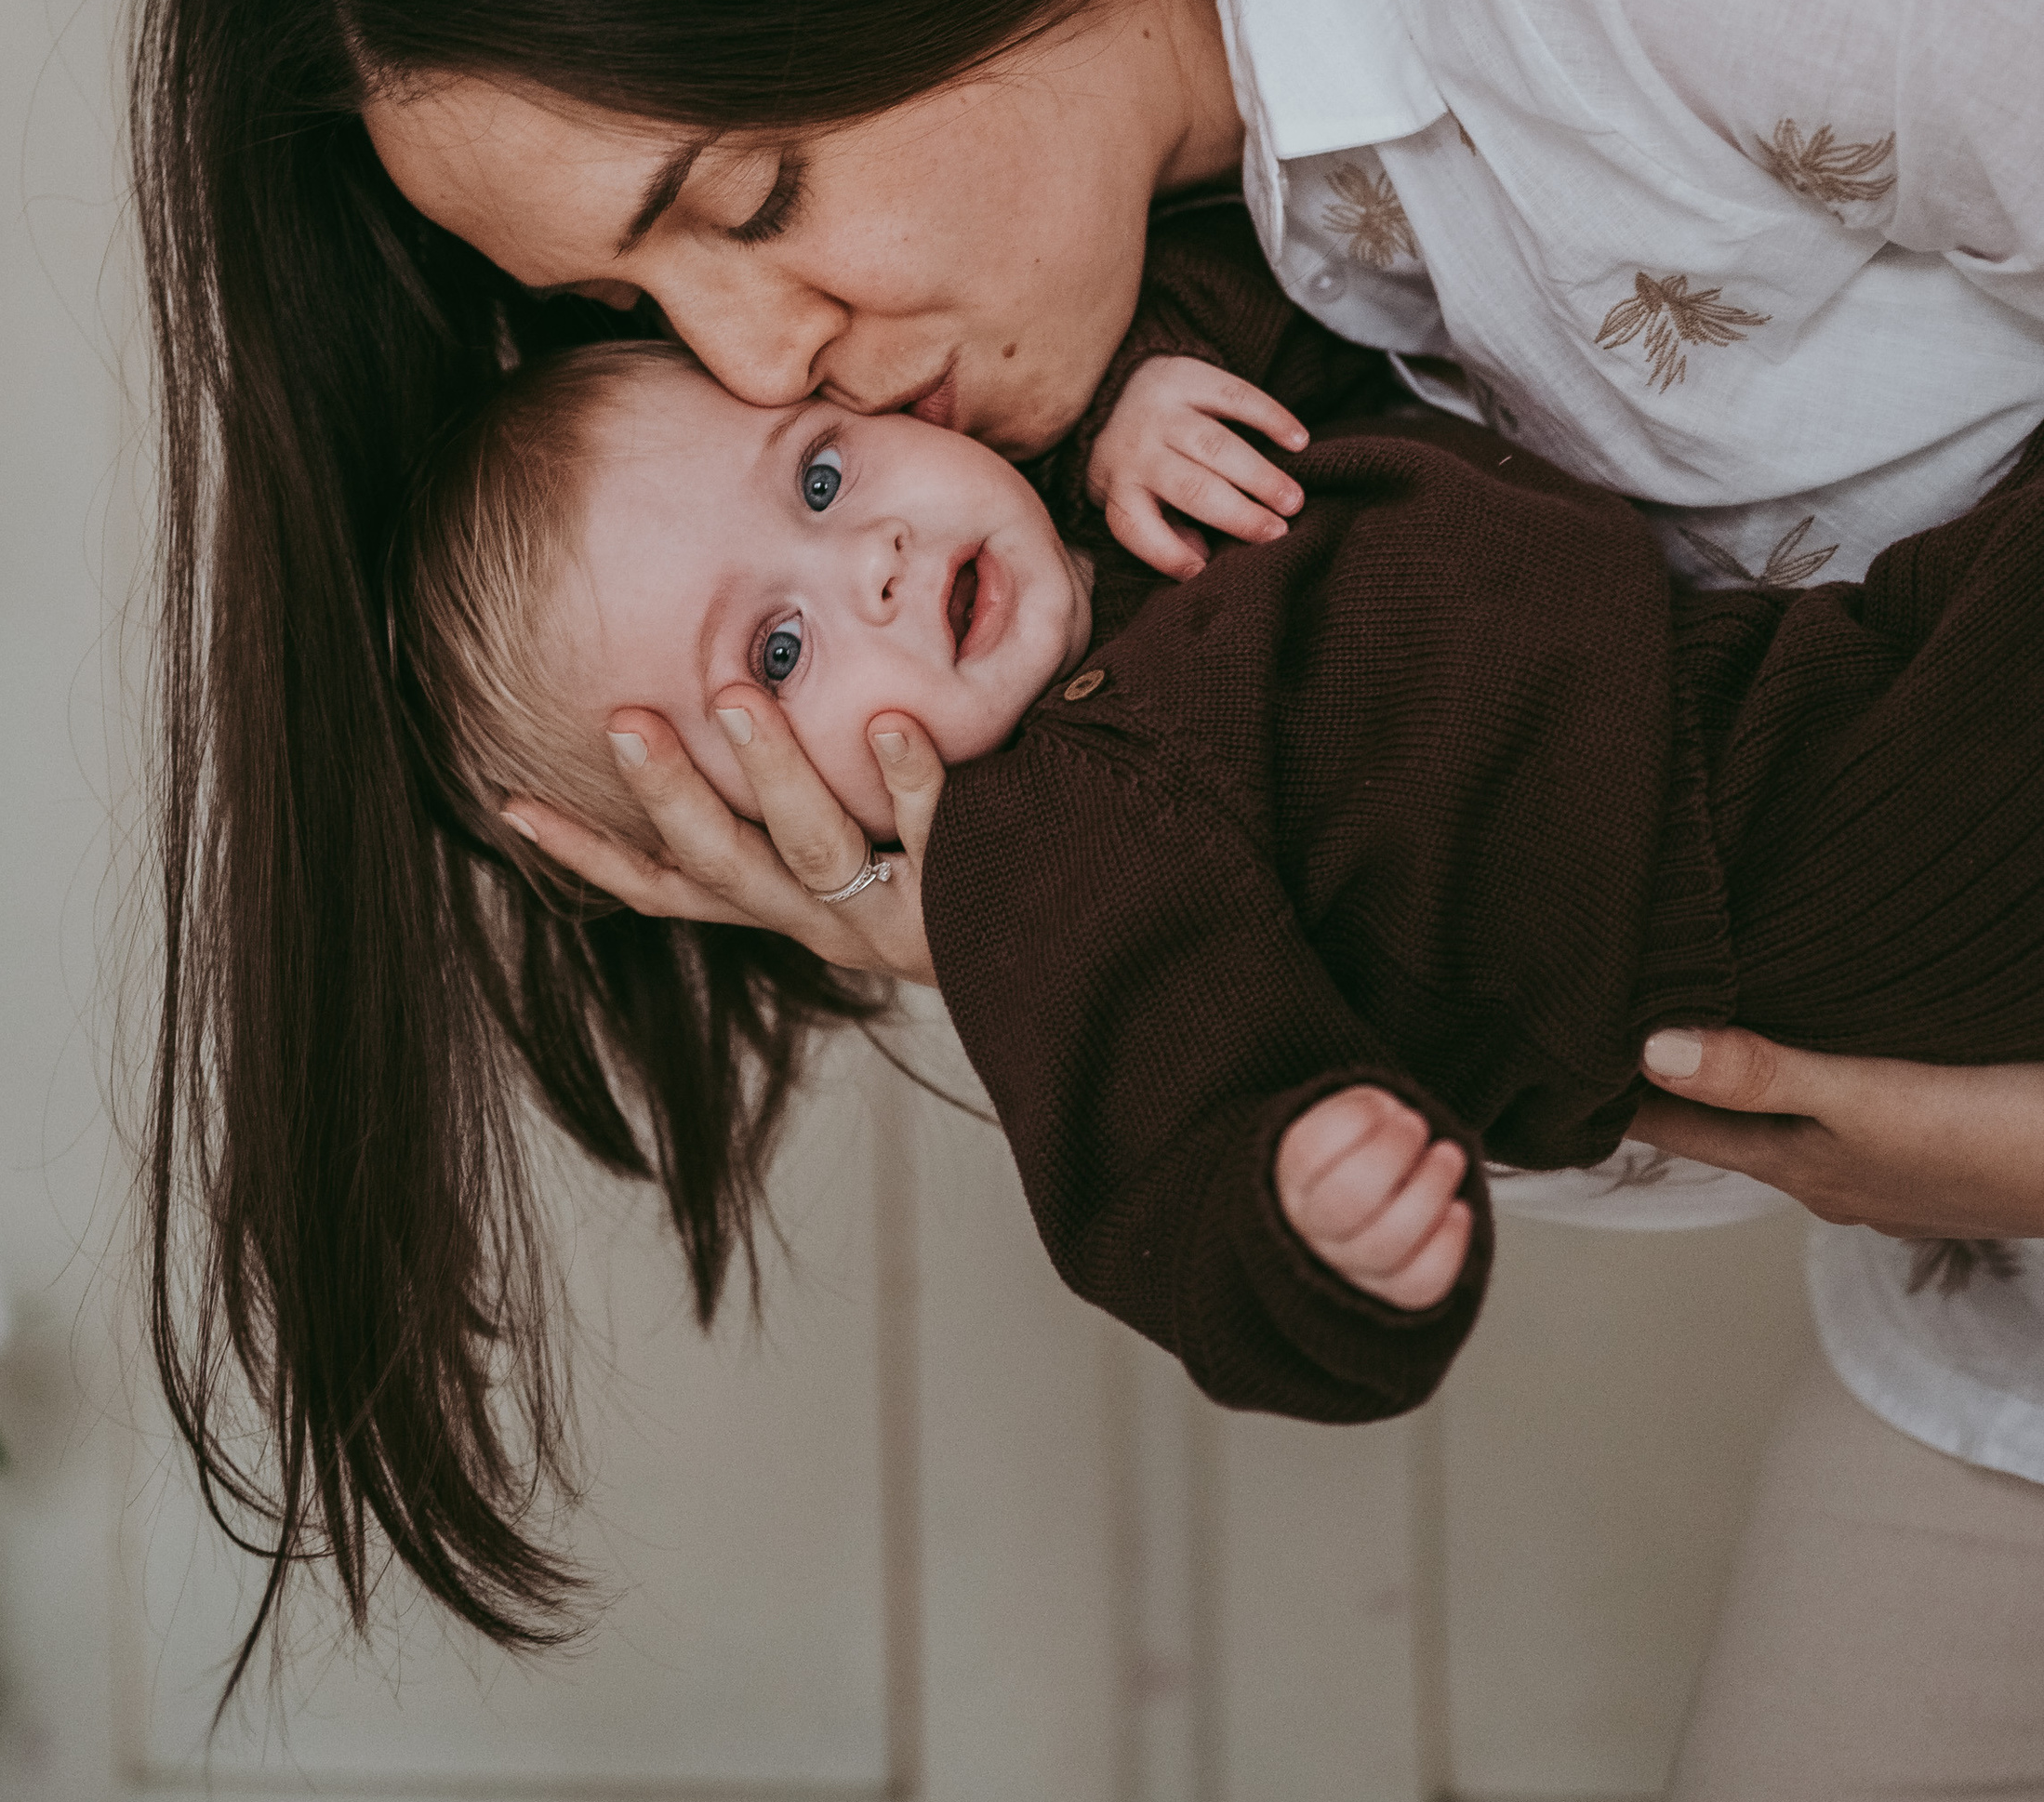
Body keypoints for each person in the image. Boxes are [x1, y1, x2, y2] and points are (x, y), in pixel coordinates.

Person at [134, 0, 2044, 1802]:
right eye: (650, 320)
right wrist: (997, 923)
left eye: (745, 196)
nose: (764, 356)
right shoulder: (1176, 332)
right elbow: (1625, 960)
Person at [391, 197, 2044, 1424]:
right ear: (735, 820)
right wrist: (1304, 1217)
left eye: (818, 476)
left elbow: (1300, 273)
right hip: (1804, 886)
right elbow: (1160, 1178)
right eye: (777, 645)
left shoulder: (1096, 501)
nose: (870, 555)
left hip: (1810, 681)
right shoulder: (1044, 858)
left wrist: (1149, 392)